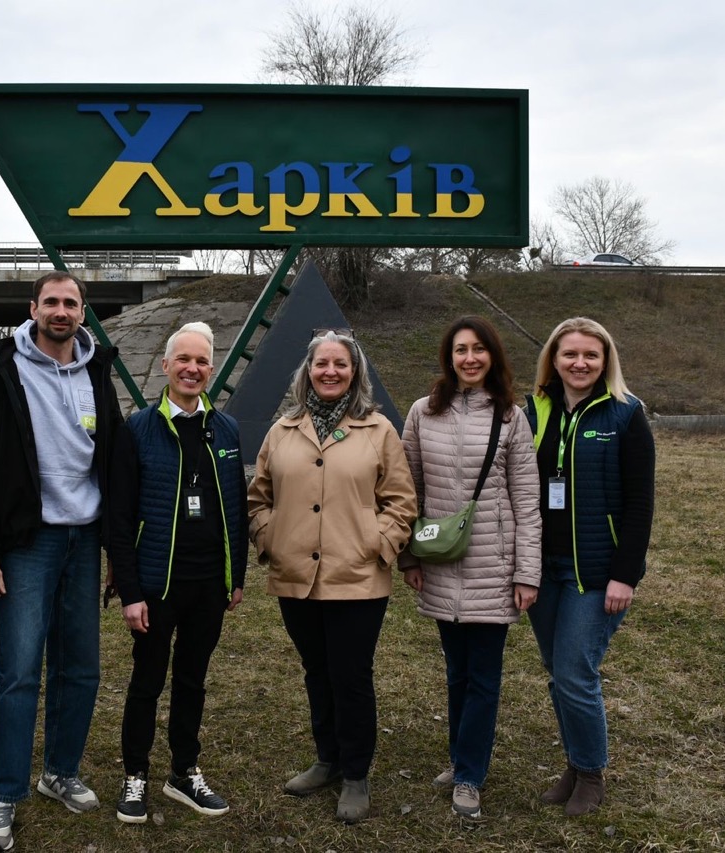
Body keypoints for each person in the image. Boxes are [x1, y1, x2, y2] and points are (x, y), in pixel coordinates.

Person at [0, 271, 123, 851]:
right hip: (27, 543)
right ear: (32, 309)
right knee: (19, 673)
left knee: (80, 667)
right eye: (50, 301)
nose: (60, 310)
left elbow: (114, 462)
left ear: (82, 311)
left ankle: (59, 772)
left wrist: (116, 550)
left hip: (85, 538)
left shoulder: (99, 368)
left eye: (70, 302)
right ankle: (3, 793)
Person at [247, 329, 417, 824]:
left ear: (355, 373)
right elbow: (259, 497)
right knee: (316, 670)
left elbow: (401, 501)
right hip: (295, 573)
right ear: (308, 371)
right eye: (322, 363)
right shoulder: (282, 430)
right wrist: (270, 536)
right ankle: (328, 759)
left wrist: (377, 543)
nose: (330, 372)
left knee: (351, 674)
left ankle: (356, 773)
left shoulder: (378, 431)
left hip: (357, 576)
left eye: (341, 364)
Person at [398, 316, 542, 819]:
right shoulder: (421, 413)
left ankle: (469, 776)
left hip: (493, 567)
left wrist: (527, 572)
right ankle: (462, 756)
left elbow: (527, 501)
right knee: (456, 671)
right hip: (440, 561)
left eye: (479, 349)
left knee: (483, 675)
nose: (470, 358)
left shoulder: (511, 417)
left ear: (493, 356)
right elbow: (406, 490)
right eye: (461, 350)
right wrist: (409, 556)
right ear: (448, 357)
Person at [107, 321, 248, 825]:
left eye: (202, 361)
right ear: (165, 366)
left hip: (208, 582)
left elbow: (236, 508)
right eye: (183, 360)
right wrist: (128, 590)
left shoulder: (226, 430)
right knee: (148, 680)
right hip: (154, 585)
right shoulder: (138, 428)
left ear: (211, 369)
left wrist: (237, 578)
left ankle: (183, 772)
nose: (192, 368)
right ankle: (136, 776)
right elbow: (118, 519)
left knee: (193, 679)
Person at [524, 317, 655, 817]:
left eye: (590, 356)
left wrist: (627, 574)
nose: (579, 363)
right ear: (553, 361)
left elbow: (640, 502)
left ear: (605, 362)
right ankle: (576, 764)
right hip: (544, 567)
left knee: (576, 671)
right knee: (558, 673)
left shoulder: (625, 414)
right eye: (569, 355)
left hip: (597, 572)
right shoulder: (534, 411)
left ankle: (592, 772)